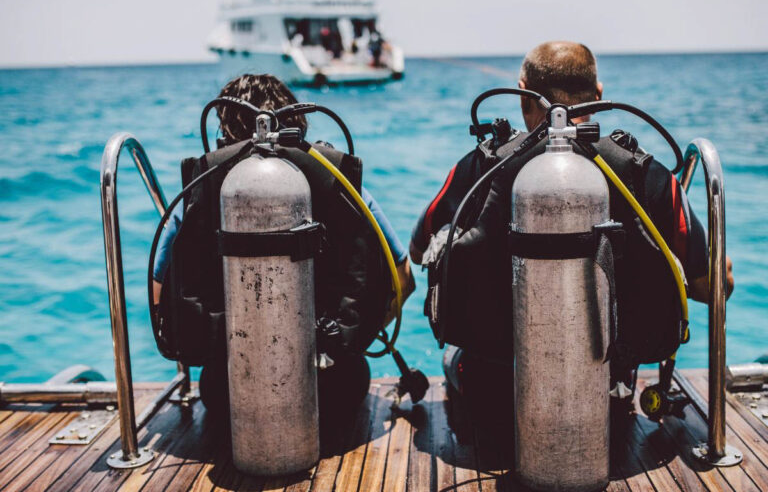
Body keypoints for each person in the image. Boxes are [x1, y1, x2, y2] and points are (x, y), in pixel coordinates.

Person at [410, 41, 733, 431]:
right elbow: (711, 286)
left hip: (494, 394)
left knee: (457, 362)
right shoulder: (647, 175)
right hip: (604, 400)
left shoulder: (482, 166)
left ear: (523, 97)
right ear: (597, 96)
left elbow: (417, 249)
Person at [153, 74, 414, 435]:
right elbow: (404, 280)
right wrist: (345, 338)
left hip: (230, 398)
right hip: (337, 391)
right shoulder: (337, 180)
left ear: (224, 134)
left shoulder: (203, 188)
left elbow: (162, 302)